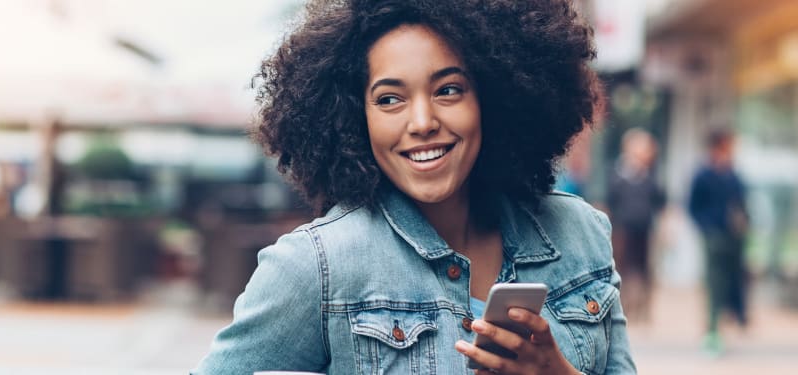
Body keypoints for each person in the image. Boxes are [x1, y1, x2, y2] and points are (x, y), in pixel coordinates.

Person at [194, 0, 635, 373]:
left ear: (494, 98)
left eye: (448, 90)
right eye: (389, 99)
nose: (422, 122)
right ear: (353, 116)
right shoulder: (318, 267)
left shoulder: (579, 233)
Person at [688, 128, 748, 357]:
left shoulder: (733, 173)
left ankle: (726, 324)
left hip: (733, 237)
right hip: (713, 236)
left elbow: (742, 202)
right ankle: (712, 330)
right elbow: (693, 207)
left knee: (731, 283)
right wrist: (707, 228)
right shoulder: (703, 174)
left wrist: (743, 222)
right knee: (714, 283)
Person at [606, 128, 665, 324]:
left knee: (644, 271)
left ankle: (643, 310)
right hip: (623, 230)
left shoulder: (650, 177)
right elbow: (609, 202)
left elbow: (660, 202)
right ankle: (622, 307)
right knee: (621, 269)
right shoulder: (618, 175)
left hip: (645, 229)